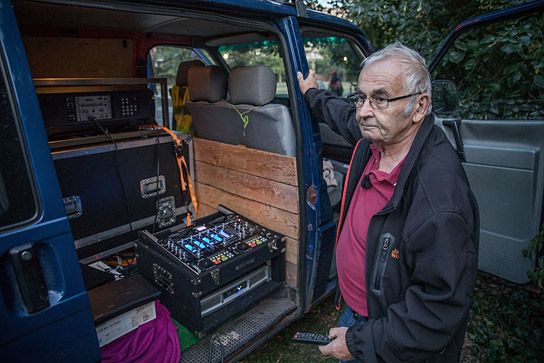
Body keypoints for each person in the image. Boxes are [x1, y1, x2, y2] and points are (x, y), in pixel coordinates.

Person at [297, 42, 479, 362]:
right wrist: (313, 94)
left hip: (389, 337)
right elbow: (343, 115)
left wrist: (360, 343)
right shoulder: (382, 134)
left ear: (419, 107)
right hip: (362, 316)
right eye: (361, 97)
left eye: (380, 99)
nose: (364, 111)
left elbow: (437, 310)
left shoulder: (439, 201)